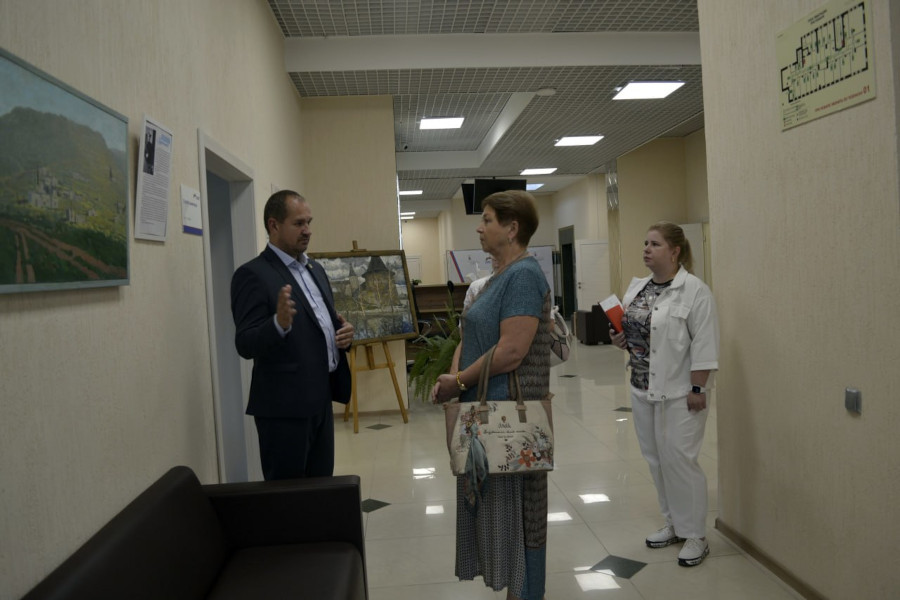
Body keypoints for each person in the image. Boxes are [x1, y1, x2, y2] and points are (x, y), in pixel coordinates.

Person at [432, 190, 551, 600]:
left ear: (512, 228)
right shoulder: (501, 276)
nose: (479, 229)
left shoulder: (524, 276)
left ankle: (524, 592)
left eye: (487, 220)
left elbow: (511, 351)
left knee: (517, 518)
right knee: (496, 517)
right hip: (484, 417)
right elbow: (471, 335)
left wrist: (460, 381)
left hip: (506, 422)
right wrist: (454, 378)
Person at [609, 221, 719, 567]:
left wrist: (698, 388)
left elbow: (705, 344)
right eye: (645, 243)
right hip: (642, 388)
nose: (646, 249)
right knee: (655, 459)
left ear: (675, 251)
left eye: (655, 244)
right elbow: (635, 331)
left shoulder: (695, 291)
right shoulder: (638, 288)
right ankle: (673, 523)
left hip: (681, 392)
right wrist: (620, 339)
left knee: (680, 460)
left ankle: (695, 535)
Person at [230, 190, 354, 480]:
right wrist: (278, 324)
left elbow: (321, 325)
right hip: (283, 410)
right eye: (299, 223)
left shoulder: (315, 269)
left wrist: (344, 334)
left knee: (321, 487)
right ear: (274, 225)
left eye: (309, 222)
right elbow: (245, 342)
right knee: (287, 497)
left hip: (320, 399)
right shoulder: (252, 274)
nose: (307, 230)